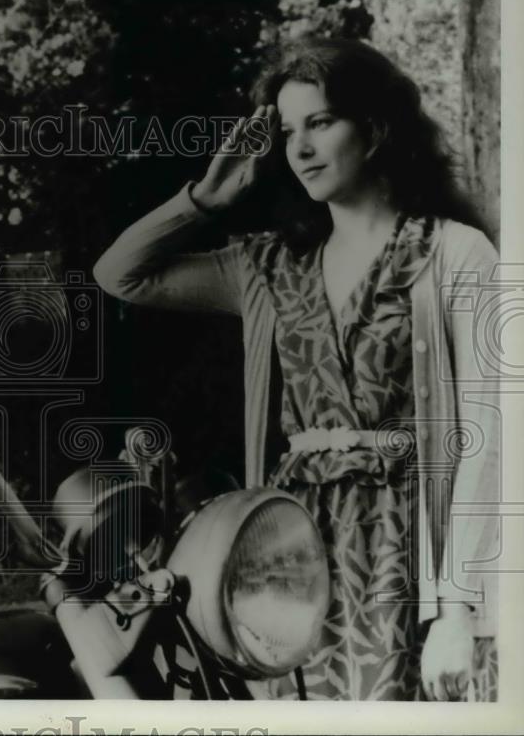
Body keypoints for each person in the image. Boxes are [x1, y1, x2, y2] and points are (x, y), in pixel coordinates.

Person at [93, 37, 500, 701]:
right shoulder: (271, 267)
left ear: (375, 129)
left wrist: (460, 609)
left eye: (321, 122)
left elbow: (491, 434)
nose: (301, 148)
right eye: (287, 131)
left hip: (417, 556)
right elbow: (120, 275)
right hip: (292, 558)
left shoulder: (455, 253)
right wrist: (205, 199)